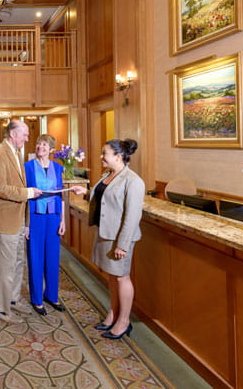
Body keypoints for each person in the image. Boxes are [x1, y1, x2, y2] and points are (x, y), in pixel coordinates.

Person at [71, 139, 145, 340]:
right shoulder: (108, 175)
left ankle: (124, 321)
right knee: (112, 276)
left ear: (119, 156)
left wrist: (122, 244)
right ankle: (113, 313)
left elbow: (132, 216)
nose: (101, 157)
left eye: (105, 153)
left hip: (119, 238)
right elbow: (105, 201)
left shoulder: (133, 181)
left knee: (122, 277)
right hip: (105, 233)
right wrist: (85, 192)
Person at [0, 120, 42, 323]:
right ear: (12, 134)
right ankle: (0, 309)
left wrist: (26, 223)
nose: (27, 138)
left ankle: (13, 300)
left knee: (18, 263)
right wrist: (27, 193)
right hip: (3, 219)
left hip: (17, 219)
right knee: (7, 267)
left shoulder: (15, 153)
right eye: (24, 135)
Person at [24, 134, 66, 316]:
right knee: (35, 256)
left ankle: (51, 295)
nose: (40, 147)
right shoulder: (27, 167)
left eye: (44, 144)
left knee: (52, 257)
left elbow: (61, 195)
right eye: (38, 143)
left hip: (54, 216)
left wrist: (63, 219)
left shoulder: (58, 168)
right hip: (34, 216)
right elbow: (24, 197)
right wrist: (25, 224)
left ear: (51, 150)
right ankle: (37, 299)